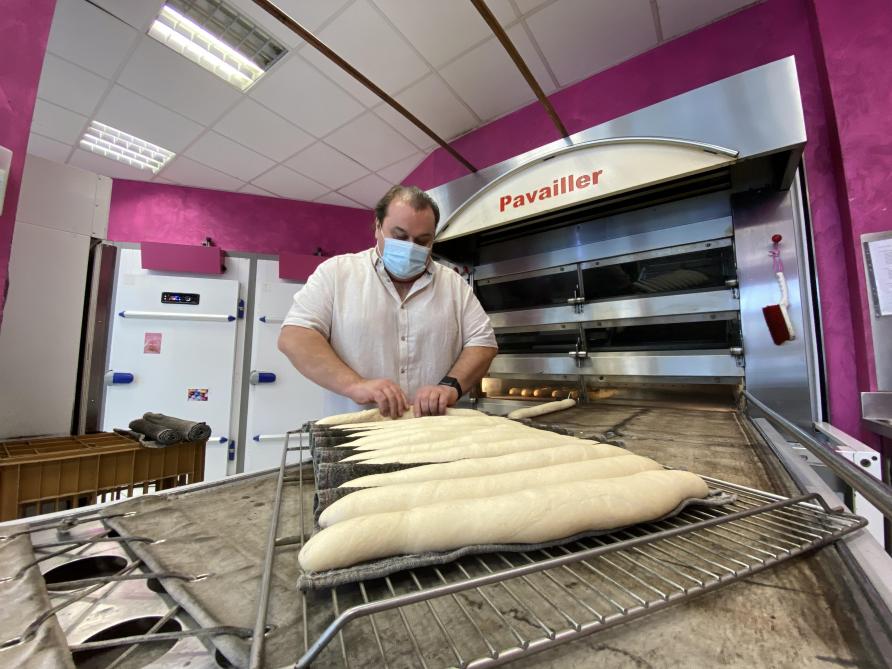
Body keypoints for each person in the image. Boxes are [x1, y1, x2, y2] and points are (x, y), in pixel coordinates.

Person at [278, 185, 498, 418]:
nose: (411, 247)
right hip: (356, 435)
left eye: (423, 241)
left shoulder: (454, 285)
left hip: (432, 433)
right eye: (400, 236)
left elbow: (483, 343)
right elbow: (295, 336)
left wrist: (449, 386)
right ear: (377, 227)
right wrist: (355, 385)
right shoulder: (336, 273)